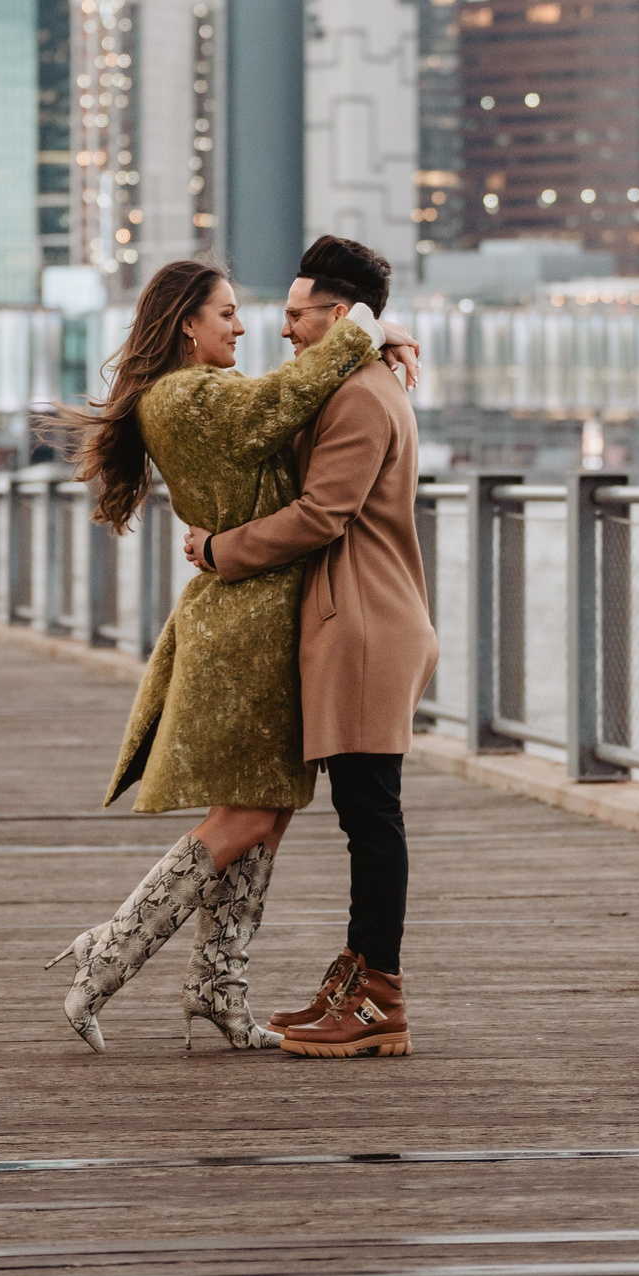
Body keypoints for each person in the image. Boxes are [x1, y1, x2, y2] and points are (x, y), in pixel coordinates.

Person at [47, 258, 410, 1054]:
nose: (246, 328)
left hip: (266, 614)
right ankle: (106, 955)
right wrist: (369, 334)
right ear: (186, 323)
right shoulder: (190, 394)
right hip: (245, 619)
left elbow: (292, 401)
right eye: (227, 315)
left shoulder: (194, 392)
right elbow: (282, 401)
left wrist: (369, 338)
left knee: (268, 810)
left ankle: (217, 983)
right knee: (244, 811)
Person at [185, 236, 437, 1059]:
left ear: (338, 317)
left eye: (297, 316)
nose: (283, 329)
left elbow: (322, 514)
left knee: (374, 816)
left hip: (366, 625)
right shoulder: (348, 384)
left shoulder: (361, 398)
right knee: (366, 814)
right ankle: (360, 982)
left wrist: (222, 548)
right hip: (356, 619)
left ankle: (378, 999)